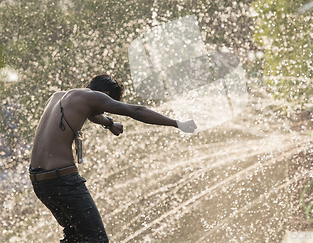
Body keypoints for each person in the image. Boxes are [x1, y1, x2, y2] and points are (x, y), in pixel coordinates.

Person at [29, 74, 197, 242]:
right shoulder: (92, 97)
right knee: (97, 239)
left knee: (75, 236)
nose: (103, 111)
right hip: (63, 181)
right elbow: (136, 111)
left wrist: (109, 123)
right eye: (106, 105)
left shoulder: (59, 97)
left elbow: (92, 114)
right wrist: (177, 123)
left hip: (41, 182)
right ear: (105, 94)